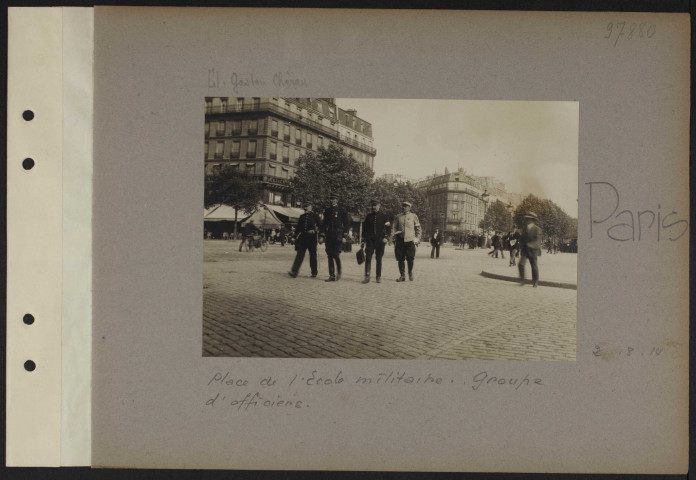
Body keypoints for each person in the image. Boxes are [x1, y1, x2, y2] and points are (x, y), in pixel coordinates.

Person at [321, 193, 350, 282]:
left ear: (337, 200)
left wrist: (345, 235)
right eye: (331, 199)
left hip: (338, 235)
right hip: (329, 236)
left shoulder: (342, 210)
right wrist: (322, 235)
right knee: (329, 255)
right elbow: (324, 224)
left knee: (336, 255)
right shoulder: (327, 211)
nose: (332, 200)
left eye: (334, 199)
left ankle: (339, 271)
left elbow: (346, 224)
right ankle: (331, 275)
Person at [288, 202, 320, 278]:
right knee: (299, 255)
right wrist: (294, 236)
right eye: (305, 206)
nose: (306, 208)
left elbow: (321, 226)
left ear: (311, 207)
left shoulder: (315, 216)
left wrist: (315, 231)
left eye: (308, 206)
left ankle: (314, 272)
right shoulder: (302, 216)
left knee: (313, 255)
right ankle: (294, 272)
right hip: (303, 238)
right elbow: (298, 228)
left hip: (312, 238)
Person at [360, 199, 389, 284]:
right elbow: (364, 229)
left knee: (378, 258)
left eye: (375, 205)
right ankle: (367, 276)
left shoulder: (384, 216)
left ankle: (378, 276)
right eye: (372, 205)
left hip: (380, 240)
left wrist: (386, 237)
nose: (373, 207)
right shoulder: (368, 216)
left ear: (379, 206)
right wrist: (363, 240)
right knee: (368, 257)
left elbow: (388, 228)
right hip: (370, 240)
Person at [392, 201, 421, 282]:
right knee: (400, 259)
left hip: (410, 240)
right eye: (403, 206)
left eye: (406, 206)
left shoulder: (413, 216)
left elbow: (418, 228)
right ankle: (402, 275)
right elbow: (394, 227)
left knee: (410, 258)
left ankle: (410, 272)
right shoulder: (398, 217)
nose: (404, 207)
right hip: (400, 240)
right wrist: (394, 236)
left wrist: (417, 239)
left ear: (409, 207)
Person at [518, 212, 542, 287]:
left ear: (533, 220)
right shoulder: (524, 228)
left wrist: (531, 244)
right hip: (525, 250)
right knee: (521, 264)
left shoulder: (537, 229)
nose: (527, 220)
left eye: (529, 219)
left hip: (533, 250)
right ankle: (523, 280)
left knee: (534, 266)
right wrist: (520, 244)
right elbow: (521, 238)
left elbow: (538, 240)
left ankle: (535, 281)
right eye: (527, 219)